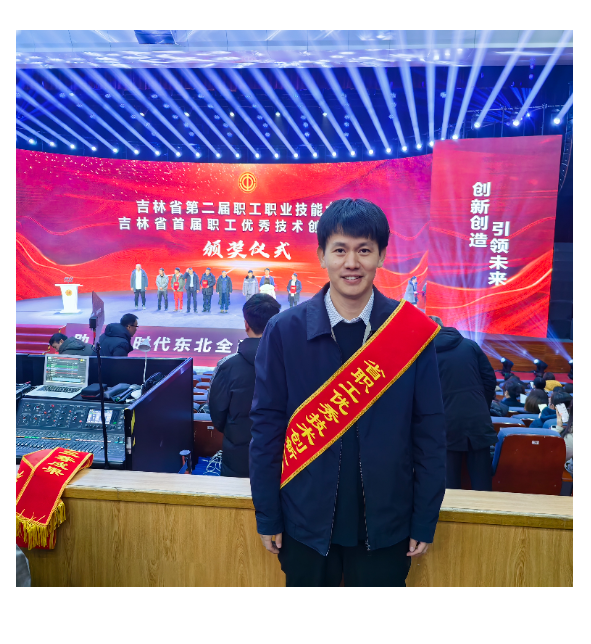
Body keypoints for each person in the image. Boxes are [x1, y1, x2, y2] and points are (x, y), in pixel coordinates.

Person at [249, 198, 446, 587]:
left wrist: (424, 518)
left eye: (364, 250)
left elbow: (430, 433)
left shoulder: (410, 332)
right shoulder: (285, 331)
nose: (351, 263)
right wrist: (268, 514)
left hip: (387, 525)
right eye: (340, 250)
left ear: (381, 256)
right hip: (303, 523)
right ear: (322, 255)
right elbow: (267, 429)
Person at [208, 294, 281, 478]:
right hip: (281, 459)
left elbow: (217, 415)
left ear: (246, 324)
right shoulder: (293, 363)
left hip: (238, 459)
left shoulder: (227, 365)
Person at [430, 318, 497, 491]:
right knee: (482, 483)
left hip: (445, 423)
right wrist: (481, 405)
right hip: (477, 419)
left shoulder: (424, 354)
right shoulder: (470, 345)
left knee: (450, 486)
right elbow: (490, 380)